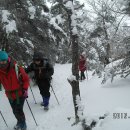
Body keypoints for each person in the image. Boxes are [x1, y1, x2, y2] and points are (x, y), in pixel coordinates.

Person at [0, 51, 29, 130]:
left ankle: (23, 124)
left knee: (18, 110)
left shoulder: (16, 68)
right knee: (14, 111)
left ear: (8, 60)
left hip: (19, 93)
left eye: (4, 61)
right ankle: (19, 122)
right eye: (1, 61)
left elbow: (26, 79)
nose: (3, 63)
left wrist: (25, 89)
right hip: (9, 95)